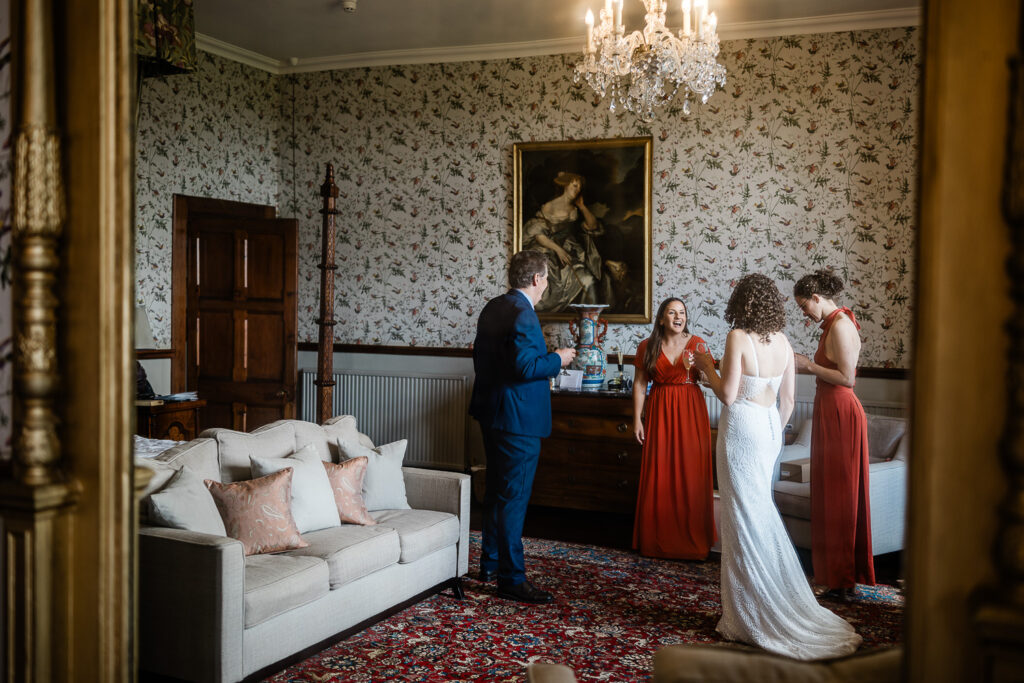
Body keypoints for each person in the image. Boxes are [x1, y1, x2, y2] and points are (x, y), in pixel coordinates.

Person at [694, 273, 861, 660]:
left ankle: (750, 615)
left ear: (740, 303)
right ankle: (757, 605)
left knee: (743, 516)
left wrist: (706, 367)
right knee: (759, 512)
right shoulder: (784, 343)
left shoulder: (738, 337)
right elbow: (788, 400)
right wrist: (773, 438)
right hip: (769, 427)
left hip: (743, 429)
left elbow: (729, 395)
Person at [469, 250, 576, 604]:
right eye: (546, 279)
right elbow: (527, 367)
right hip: (517, 421)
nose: (546, 286)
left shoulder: (493, 307)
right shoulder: (524, 314)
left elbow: (483, 359)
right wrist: (557, 360)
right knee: (513, 499)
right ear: (536, 279)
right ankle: (511, 579)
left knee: (497, 493)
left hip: (492, 414)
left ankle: (490, 564)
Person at [792, 270, 876, 601]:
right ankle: (837, 578)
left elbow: (847, 378)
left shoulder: (841, 325)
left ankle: (844, 578)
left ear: (817, 298)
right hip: (828, 410)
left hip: (842, 412)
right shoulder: (831, 325)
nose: (803, 313)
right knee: (829, 493)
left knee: (841, 495)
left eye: (804, 306)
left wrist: (807, 366)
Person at [631, 297, 717, 559]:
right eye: (672, 312)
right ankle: (657, 541)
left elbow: (710, 380)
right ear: (661, 318)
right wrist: (637, 419)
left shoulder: (698, 344)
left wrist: (703, 373)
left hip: (690, 409)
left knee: (691, 472)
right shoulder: (647, 346)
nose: (678, 317)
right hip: (659, 410)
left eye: (682, 313)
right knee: (660, 471)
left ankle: (693, 544)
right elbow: (639, 384)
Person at [521, 171, 605, 312]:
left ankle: (590, 318)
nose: (577, 190)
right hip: (547, 251)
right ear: (565, 185)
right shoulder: (547, 207)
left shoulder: (575, 210)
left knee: (588, 280)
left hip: (569, 252)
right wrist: (558, 250)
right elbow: (537, 234)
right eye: (574, 185)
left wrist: (582, 207)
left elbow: (593, 226)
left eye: (579, 187)